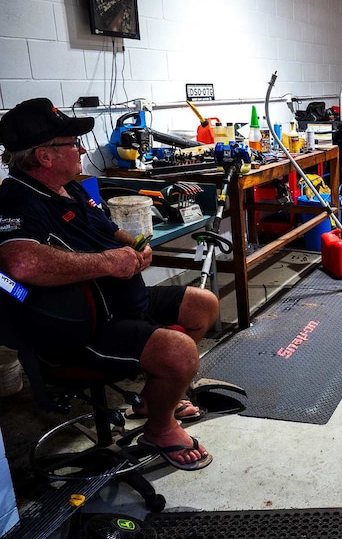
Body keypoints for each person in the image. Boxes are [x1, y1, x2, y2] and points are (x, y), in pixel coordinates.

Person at [0, 98, 219, 471]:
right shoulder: (16, 198)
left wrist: (134, 245)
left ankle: (154, 397)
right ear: (44, 156)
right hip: (84, 328)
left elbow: (107, 228)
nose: (82, 149)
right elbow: (20, 263)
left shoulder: (73, 187)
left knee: (204, 304)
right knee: (180, 353)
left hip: (123, 301)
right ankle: (160, 427)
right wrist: (107, 262)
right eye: (72, 143)